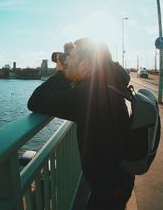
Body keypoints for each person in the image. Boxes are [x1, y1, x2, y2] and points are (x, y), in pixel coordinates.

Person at [27, 38, 134, 209]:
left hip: (108, 190)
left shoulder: (88, 95)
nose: (67, 60)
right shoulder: (106, 84)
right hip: (118, 180)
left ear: (85, 65)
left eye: (71, 57)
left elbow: (35, 100)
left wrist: (62, 72)